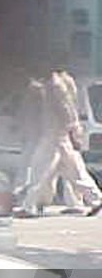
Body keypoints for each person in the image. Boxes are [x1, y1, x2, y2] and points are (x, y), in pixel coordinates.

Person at [20, 69, 102, 214]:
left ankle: (29, 206)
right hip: (60, 136)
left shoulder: (55, 85)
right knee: (75, 172)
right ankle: (96, 199)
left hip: (54, 135)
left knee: (39, 170)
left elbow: (65, 109)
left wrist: (73, 130)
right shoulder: (55, 83)